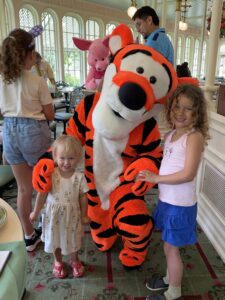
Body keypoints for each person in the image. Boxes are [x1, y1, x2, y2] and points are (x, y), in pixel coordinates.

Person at [137, 84, 210, 300]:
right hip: (167, 201)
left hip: (180, 205)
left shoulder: (193, 137)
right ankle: (170, 278)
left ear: (197, 113)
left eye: (188, 109)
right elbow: (166, 163)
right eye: (177, 106)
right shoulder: (170, 135)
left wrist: (156, 179)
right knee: (168, 247)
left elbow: (188, 174)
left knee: (171, 249)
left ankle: (174, 292)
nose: (180, 112)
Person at [0, 29, 55, 251]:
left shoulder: (2, 80)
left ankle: (29, 236)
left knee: (24, 189)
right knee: (47, 183)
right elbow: (50, 115)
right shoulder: (37, 81)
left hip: (9, 132)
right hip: (33, 132)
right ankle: (49, 226)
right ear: (29, 54)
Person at [30, 135, 89, 278]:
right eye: (62, 158)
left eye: (71, 158)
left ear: (78, 157)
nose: (67, 162)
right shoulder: (50, 174)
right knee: (55, 239)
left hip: (72, 216)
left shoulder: (79, 177)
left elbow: (83, 197)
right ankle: (58, 262)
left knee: (73, 239)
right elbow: (42, 193)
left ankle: (74, 260)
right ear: (55, 156)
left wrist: (84, 215)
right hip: (53, 217)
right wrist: (36, 211)